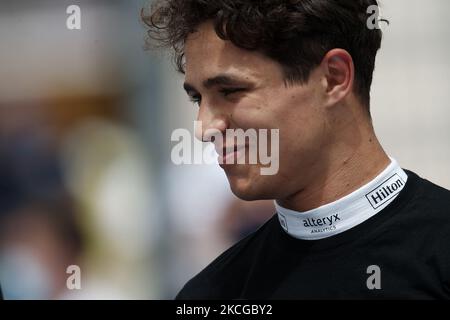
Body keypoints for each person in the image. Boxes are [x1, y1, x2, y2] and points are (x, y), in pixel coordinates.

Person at [144, 0, 450, 299]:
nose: (203, 128)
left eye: (231, 91)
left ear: (334, 78)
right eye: (198, 99)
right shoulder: (213, 293)